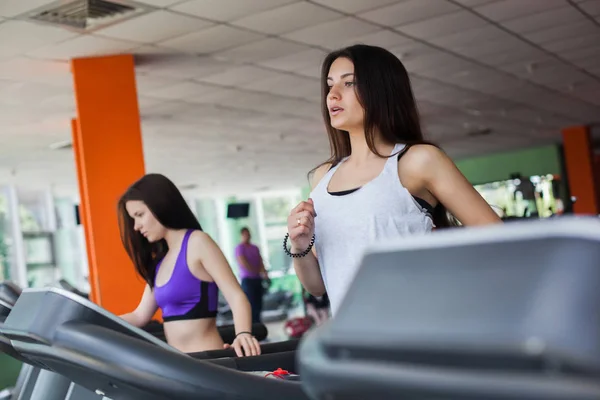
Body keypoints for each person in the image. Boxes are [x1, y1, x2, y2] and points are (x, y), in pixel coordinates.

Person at [285, 44, 502, 316]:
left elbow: (501, 241)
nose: (332, 95)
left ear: (381, 90)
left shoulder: (416, 161)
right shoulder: (322, 177)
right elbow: (318, 286)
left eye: (349, 83)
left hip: (416, 337)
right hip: (353, 346)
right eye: (329, 85)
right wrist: (299, 246)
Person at [117, 173, 260, 357]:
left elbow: (235, 295)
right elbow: (139, 316)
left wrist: (243, 334)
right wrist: (95, 321)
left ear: (159, 205)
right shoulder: (159, 262)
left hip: (208, 362)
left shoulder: (198, 243)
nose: (136, 226)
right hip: (179, 366)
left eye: (139, 215)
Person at [234, 227, 270, 323]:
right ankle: (252, 326)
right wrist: (256, 271)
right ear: (241, 235)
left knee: (258, 304)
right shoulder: (239, 248)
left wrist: (264, 273)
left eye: (248, 233)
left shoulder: (255, 248)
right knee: (251, 304)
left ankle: (258, 324)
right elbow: (243, 262)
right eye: (245, 234)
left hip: (257, 279)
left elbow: (260, 261)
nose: (247, 236)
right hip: (247, 280)